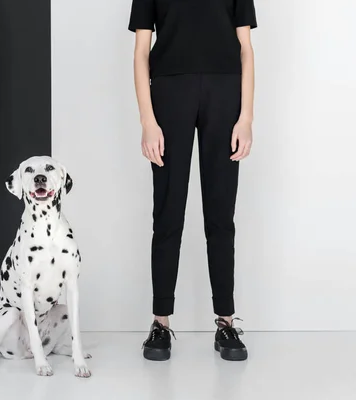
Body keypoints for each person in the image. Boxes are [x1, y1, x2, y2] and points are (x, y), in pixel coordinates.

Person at [129, 0, 257, 361]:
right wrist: (147, 121)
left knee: (220, 215)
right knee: (168, 213)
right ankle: (160, 322)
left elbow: (246, 49)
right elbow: (141, 53)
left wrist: (246, 117)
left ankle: (226, 321)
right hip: (170, 92)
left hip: (225, 91)